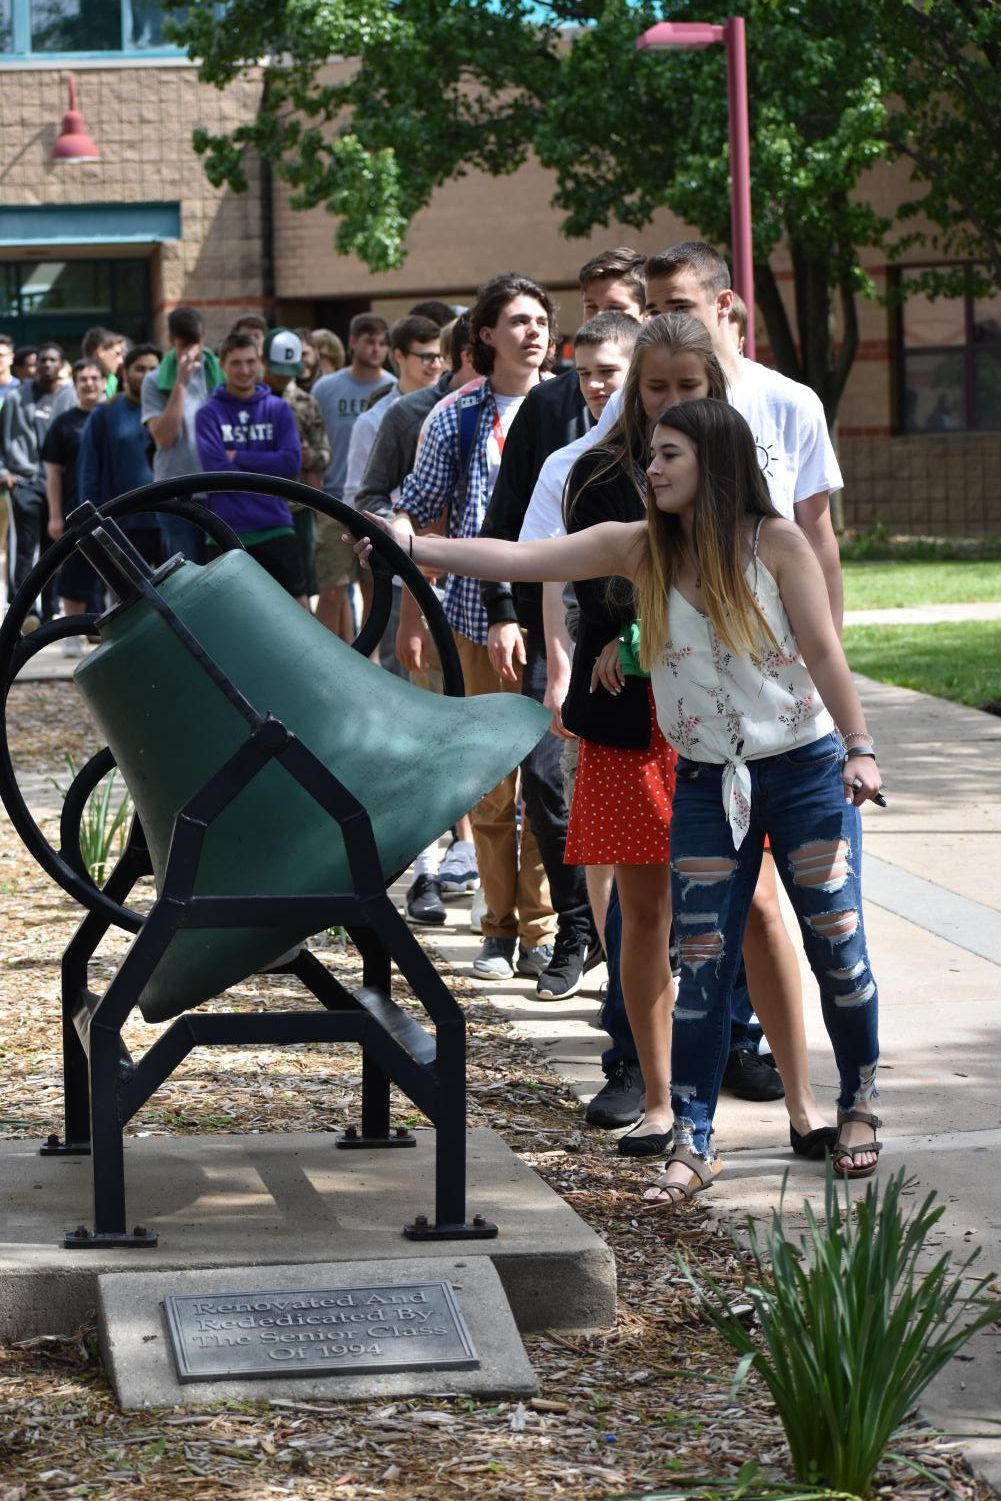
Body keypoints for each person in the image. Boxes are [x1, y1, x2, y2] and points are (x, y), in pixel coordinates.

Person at [353, 397, 884, 1202]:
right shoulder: (639, 549)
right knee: (701, 964)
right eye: (651, 455)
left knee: (836, 948)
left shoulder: (772, 543)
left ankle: (858, 1105)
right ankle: (694, 1141)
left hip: (803, 767)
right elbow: (522, 558)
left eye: (669, 454)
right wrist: (413, 544)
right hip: (706, 777)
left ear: (714, 462)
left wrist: (858, 746)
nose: (652, 468)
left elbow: (820, 646)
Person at [394, 273, 559, 983]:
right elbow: (415, 505)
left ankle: (546, 927)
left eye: (541, 318)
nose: (533, 330)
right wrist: (408, 594)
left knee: (550, 784)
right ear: (484, 336)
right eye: (517, 320)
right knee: (492, 783)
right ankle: (497, 926)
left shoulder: (570, 406)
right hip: (472, 618)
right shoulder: (457, 416)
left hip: (555, 618)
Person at [194, 330, 304, 600]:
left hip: (275, 525)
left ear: (260, 363)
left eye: (250, 362)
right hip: (225, 530)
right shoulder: (208, 414)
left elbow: (290, 463)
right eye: (236, 362)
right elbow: (217, 471)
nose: (244, 370)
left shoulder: (278, 409)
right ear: (222, 365)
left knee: (297, 610)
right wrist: (266, 464)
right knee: (228, 619)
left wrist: (238, 457)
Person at [312, 314, 396, 641]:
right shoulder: (326, 387)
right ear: (353, 342)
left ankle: (369, 655)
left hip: (375, 503)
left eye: (381, 343)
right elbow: (315, 437)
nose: (375, 349)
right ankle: (324, 655)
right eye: (368, 341)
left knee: (373, 584)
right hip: (332, 499)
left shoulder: (392, 387)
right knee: (332, 588)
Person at [141, 305, 221, 565]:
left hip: (218, 490)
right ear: (171, 340)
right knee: (186, 572)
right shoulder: (154, 381)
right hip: (176, 494)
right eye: (183, 344)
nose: (191, 352)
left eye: (195, 343)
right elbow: (164, 437)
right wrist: (181, 383)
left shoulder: (218, 373)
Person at [78, 342, 164, 571]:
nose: (147, 375)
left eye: (153, 369)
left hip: (168, 520)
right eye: (140, 369)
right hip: (122, 524)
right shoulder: (104, 413)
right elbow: (89, 471)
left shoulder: (170, 409)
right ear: (125, 373)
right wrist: (91, 522)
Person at [260, 328, 331, 600]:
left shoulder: (306, 403)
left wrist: (308, 455)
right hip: (257, 506)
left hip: (296, 506)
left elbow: (325, 453)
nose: (285, 376)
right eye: (279, 369)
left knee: (300, 590)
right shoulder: (249, 400)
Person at [41, 357, 107, 649]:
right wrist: (55, 514)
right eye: (83, 379)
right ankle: (71, 638)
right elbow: (53, 473)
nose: (89, 384)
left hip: (115, 505)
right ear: (75, 384)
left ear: (104, 382)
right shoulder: (63, 424)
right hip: (74, 508)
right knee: (74, 572)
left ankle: (105, 631)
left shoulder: (112, 416)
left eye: (95, 378)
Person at [1, 340, 67, 627]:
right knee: (24, 549)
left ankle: (51, 609)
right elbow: (2, 440)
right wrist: (3, 470)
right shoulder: (17, 397)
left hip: (58, 486)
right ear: (35, 365)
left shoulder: (69, 397)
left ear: (61, 365)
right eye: (42, 360)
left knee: (55, 550)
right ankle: (23, 612)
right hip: (25, 483)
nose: (47, 365)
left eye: (53, 360)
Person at [81, 327, 125, 397]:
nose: (121, 361)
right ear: (101, 352)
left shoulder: (113, 380)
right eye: (117, 354)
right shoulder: (73, 389)